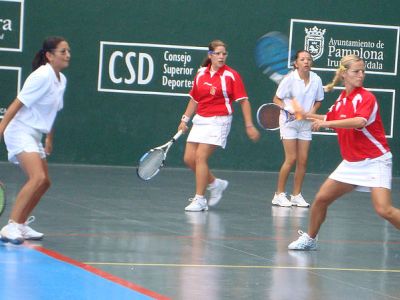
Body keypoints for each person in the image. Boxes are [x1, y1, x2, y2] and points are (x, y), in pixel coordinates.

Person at [288, 54, 400, 250]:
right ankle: (310, 239)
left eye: (363, 71)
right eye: (356, 71)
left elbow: (359, 121)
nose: (361, 75)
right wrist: (304, 115)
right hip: (351, 163)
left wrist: (326, 123)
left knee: (384, 210)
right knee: (321, 199)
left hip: (375, 160)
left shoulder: (367, 98)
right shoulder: (341, 100)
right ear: (343, 74)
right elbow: (328, 116)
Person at [0, 36, 71, 244]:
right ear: (49, 56)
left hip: (35, 134)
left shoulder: (61, 80)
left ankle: (21, 224)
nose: (67, 55)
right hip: (19, 131)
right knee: (37, 177)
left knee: (45, 182)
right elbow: (17, 103)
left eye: (68, 51)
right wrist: (2, 127)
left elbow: (53, 111)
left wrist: (49, 138)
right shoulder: (41, 76)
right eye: (63, 52)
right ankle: (10, 226)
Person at [178, 39, 260, 212]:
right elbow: (194, 98)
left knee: (201, 157)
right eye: (218, 53)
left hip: (219, 120)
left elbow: (244, 101)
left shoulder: (231, 75)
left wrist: (249, 125)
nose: (222, 57)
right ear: (210, 55)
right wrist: (184, 119)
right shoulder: (201, 73)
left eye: (224, 54)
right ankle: (215, 184)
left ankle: (200, 199)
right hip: (200, 119)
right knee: (189, 159)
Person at [271, 50, 324, 207]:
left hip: (305, 123)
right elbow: (276, 99)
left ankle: (296, 195)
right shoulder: (289, 79)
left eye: (309, 59)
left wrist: (312, 112)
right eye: (302, 59)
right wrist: (289, 109)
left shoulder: (316, 79)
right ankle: (279, 195)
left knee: (303, 160)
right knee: (291, 158)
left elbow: (319, 100)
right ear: (296, 63)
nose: (306, 61)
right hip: (289, 122)